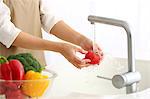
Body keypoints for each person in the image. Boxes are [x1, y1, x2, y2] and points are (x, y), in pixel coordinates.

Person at [0, 0, 103, 69]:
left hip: (34, 65)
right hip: (6, 68)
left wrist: (82, 40)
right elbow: (7, 33)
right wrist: (60, 47)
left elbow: (48, 19)